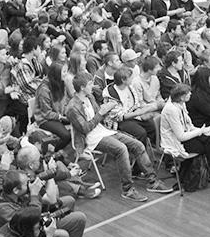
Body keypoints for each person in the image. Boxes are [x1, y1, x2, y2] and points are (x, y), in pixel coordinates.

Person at [66, 72, 170, 202]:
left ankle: (153, 181)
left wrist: (106, 110)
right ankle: (127, 189)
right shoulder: (72, 107)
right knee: (121, 149)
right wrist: (101, 113)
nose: (92, 86)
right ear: (82, 87)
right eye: (90, 84)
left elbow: (101, 116)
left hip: (103, 131)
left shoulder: (90, 97)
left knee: (138, 145)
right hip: (90, 138)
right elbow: (85, 129)